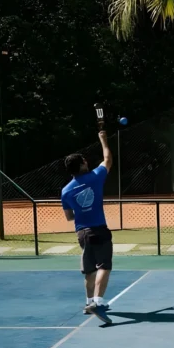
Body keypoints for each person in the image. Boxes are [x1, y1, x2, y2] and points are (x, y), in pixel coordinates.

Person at [61, 130, 114, 325]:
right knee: (104, 266)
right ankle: (98, 303)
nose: (86, 161)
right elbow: (107, 159)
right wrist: (103, 139)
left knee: (90, 270)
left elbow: (69, 217)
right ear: (82, 164)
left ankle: (88, 303)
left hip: (81, 233)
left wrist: (83, 211)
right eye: (84, 159)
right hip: (99, 229)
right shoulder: (95, 176)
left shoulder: (66, 191)